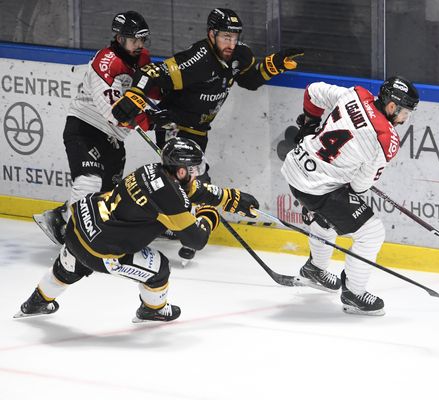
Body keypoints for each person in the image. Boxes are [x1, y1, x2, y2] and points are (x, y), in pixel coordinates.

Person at [111, 7, 303, 261]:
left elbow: (250, 79)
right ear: (211, 34)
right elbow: (150, 73)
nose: (231, 43)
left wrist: (276, 64)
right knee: (193, 176)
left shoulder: (239, 55)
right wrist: (135, 96)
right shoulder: (198, 59)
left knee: (186, 182)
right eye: (225, 37)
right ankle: (189, 231)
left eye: (234, 37)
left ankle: (178, 224)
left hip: (199, 129)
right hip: (175, 125)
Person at [15, 137, 259, 322]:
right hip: (101, 249)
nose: (196, 174)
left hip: (80, 223)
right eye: (193, 169)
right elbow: (196, 240)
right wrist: (208, 214)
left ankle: (36, 302)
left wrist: (229, 197)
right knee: (160, 269)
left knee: (72, 263)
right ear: (181, 170)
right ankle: (152, 310)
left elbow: (187, 191)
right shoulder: (171, 196)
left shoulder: (152, 170)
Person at [280, 76, 419, 316]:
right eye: (406, 112)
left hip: (295, 165)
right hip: (316, 187)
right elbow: (360, 185)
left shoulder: (355, 94)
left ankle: (315, 270)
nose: (406, 119)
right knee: (372, 232)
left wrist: (310, 125)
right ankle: (354, 294)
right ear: (392, 106)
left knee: (331, 215)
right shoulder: (386, 138)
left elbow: (313, 91)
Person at [33, 11, 160, 246]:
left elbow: (153, 91)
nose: (139, 45)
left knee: (106, 198)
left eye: (143, 40)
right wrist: (151, 121)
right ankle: (75, 238)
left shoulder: (142, 59)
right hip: (85, 128)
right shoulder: (106, 62)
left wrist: (163, 88)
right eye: (134, 40)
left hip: (113, 139)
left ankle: (60, 217)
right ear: (119, 38)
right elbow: (115, 114)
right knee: (89, 181)